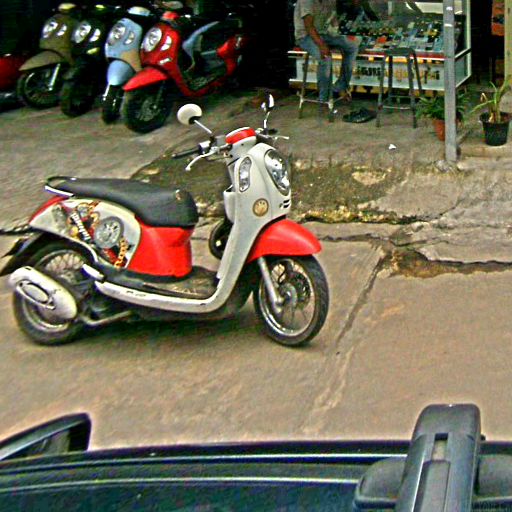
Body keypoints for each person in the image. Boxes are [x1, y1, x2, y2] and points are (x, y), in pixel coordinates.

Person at [294, 0, 359, 103]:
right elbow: (309, 26)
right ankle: (324, 98)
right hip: (305, 36)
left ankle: (340, 86)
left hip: (323, 34)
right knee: (325, 57)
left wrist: (338, 33)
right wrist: (321, 45)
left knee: (352, 47)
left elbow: (333, 19)